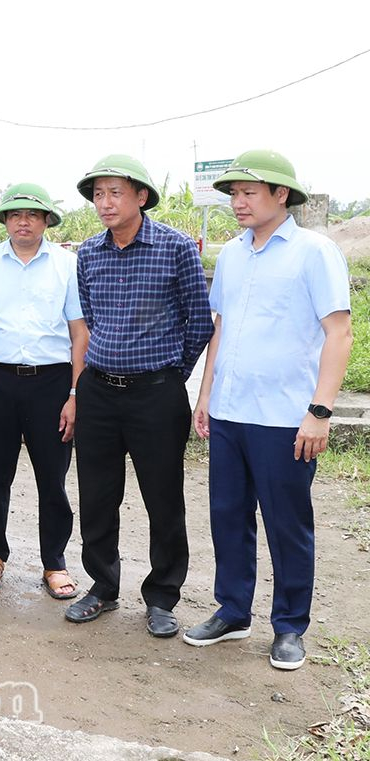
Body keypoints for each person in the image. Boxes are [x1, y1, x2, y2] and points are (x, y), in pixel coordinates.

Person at [186, 150, 352, 670]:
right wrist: (207, 394)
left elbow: (339, 332)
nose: (238, 202)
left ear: (282, 195)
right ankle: (233, 611)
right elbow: (221, 328)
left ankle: (289, 627)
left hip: (285, 418)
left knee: (287, 524)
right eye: (233, 193)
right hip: (232, 411)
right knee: (228, 518)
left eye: (249, 193)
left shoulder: (314, 252)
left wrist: (320, 411)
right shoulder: (233, 255)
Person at [66, 154, 213, 638]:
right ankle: (103, 587)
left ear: (141, 196)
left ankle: (162, 597)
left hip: (156, 394)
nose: (104, 204)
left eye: (115, 193)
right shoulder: (88, 253)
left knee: (163, 497)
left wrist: (173, 375)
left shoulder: (174, 248)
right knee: (98, 496)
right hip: (100, 392)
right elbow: (89, 319)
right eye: (98, 194)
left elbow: (198, 321)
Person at [0, 184, 88, 598]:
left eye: (33, 215)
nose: (23, 222)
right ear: (3, 221)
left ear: (47, 220)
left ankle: (55, 562)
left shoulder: (68, 264)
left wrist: (74, 394)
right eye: (15, 215)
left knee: (52, 477)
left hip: (51, 383)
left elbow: (78, 331)